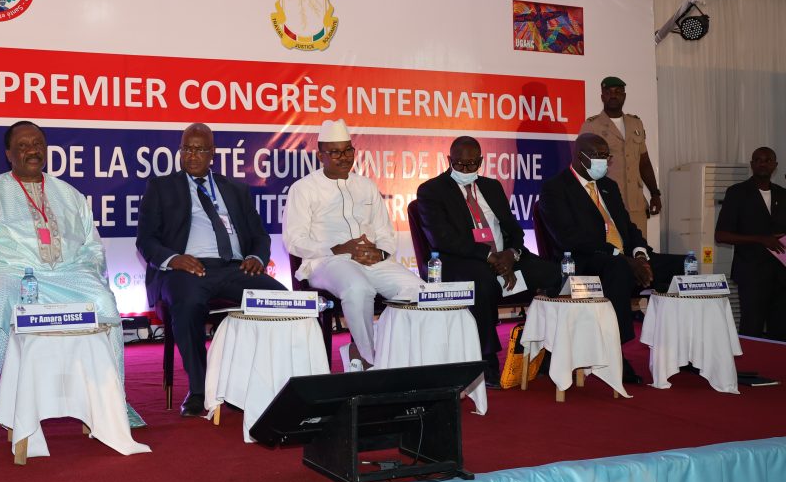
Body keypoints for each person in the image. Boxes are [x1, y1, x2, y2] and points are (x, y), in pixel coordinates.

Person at [0, 121, 142, 444]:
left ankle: (115, 400)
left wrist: (88, 276)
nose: (32, 150)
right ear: (8, 154)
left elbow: (92, 247)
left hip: (63, 274)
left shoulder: (68, 194)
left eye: (37, 144)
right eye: (22, 145)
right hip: (8, 273)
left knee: (104, 303)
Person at [136, 123, 285, 417]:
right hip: (185, 269)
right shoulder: (161, 187)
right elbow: (146, 239)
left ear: (212, 154)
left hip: (234, 268)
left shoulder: (237, 190)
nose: (192, 155)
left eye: (200, 149)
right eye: (187, 149)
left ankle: (274, 382)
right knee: (188, 302)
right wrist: (174, 258)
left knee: (283, 302)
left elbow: (260, 235)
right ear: (180, 151)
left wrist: (256, 255)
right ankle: (200, 388)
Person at [416, 136, 562, 387]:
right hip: (459, 260)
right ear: (449, 160)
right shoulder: (432, 191)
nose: (466, 169)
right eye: (460, 164)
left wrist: (511, 254)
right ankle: (487, 361)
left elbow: (514, 230)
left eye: (472, 164)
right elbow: (443, 239)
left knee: (553, 274)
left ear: (481, 161)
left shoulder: (492, 187)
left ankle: (545, 351)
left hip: (504, 256)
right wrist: (489, 257)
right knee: (482, 282)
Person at [538, 133, 685, 383]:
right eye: (598, 156)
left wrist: (639, 254)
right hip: (583, 262)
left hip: (624, 258)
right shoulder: (555, 188)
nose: (604, 162)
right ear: (579, 156)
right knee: (618, 268)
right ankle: (615, 353)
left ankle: (681, 351)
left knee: (681, 266)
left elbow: (627, 227)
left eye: (607, 157)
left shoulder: (608, 186)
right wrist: (622, 257)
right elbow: (568, 239)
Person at [283, 119, 423, 372]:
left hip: (371, 260)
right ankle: (369, 360)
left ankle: (373, 347)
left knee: (416, 291)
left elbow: (385, 232)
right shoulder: (303, 189)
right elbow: (294, 240)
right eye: (335, 152)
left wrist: (379, 252)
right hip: (326, 262)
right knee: (358, 289)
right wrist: (336, 248)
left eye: (348, 150)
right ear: (321, 156)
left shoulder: (366, 186)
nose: (343, 157)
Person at [715, 147, 786, 340]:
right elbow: (721, 235)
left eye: (767, 160)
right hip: (751, 274)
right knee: (752, 329)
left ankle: (777, 370)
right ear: (752, 164)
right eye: (758, 160)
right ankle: (748, 369)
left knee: (780, 331)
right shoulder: (737, 193)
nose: (763, 163)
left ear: (775, 165)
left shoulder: (783, 194)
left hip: (781, 275)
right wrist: (761, 239)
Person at [580, 76, 661, 235]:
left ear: (624, 95)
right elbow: (582, 166)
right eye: (608, 92)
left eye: (618, 91)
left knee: (640, 252)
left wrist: (655, 193)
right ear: (602, 96)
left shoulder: (635, 123)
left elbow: (643, 162)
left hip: (635, 205)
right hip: (607, 204)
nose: (613, 95)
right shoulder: (591, 125)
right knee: (613, 255)